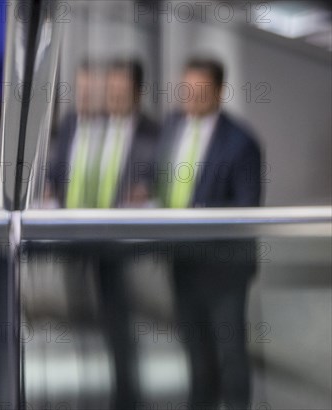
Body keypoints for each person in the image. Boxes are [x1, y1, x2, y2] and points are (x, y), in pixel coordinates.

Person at [50, 58, 160, 410]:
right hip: (73, 241)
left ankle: (126, 398)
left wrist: (148, 192)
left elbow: (163, 182)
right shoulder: (75, 124)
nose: (109, 96)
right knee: (81, 324)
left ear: (136, 93)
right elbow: (56, 173)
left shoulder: (152, 134)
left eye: (118, 90)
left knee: (120, 331)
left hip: (122, 251)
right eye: (104, 89)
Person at [158, 58, 262, 409]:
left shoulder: (241, 142)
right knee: (196, 355)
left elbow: (248, 208)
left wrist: (200, 215)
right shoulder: (172, 126)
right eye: (185, 88)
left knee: (231, 356)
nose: (190, 97)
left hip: (224, 269)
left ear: (218, 91)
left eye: (199, 90)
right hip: (182, 261)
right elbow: (163, 182)